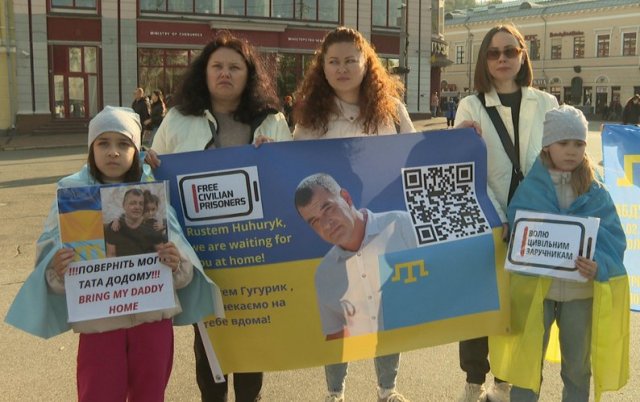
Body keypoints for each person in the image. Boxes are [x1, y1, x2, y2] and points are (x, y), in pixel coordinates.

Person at [4, 106, 222, 401]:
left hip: (152, 324)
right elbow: (53, 275)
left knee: (150, 394)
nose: (113, 152)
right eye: (103, 143)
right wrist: (58, 268)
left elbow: (182, 272)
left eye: (123, 144)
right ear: (91, 149)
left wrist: (176, 263)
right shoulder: (73, 197)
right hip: (100, 328)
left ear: (137, 149)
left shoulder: (152, 194)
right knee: (98, 394)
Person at [146, 30, 291, 402]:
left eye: (234, 67)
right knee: (208, 338)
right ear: (204, 72)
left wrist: (277, 156)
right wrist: (147, 163)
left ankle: (250, 397)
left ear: (249, 74)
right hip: (202, 252)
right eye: (217, 66)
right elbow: (153, 180)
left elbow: (291, 181)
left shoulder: (271, 120)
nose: (225, 73)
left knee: (253, 331)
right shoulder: (178, 118)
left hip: (255, 250)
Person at [293, 26, 414, 402]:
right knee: (341, 312)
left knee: (387, 309)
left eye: (350, 60)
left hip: (379, 227)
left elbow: (416, 157)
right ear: (323, 67)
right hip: (336, 230)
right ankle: (335, 391)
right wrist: (268, 149)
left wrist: (461, 136)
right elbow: (292, 166)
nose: (342, 68)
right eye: (333, 62)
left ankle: (387, 389)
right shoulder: (312, 118)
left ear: (367, 63)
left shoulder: (391, 110)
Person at [453, 24, 559, 402]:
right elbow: (466, 172)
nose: (502, 59)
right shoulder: (471, 106)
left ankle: (503, 382)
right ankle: (473, 380)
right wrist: (498, 216)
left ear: (522, 56)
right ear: (484, 59)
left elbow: (561, 159)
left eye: (510, 51)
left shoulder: (546, 103)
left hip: (534, 222)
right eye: (494, 53)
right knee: (479, 303)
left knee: (519, 307)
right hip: (487, 221)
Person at [500, 105, 629, 401]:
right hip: (538, 293)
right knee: (527, 364)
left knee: (577, 369)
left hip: (580, 294)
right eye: (564, 143)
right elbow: (516, 231)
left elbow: (614, 239)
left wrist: (598, 265)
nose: (572, 150)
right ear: (548, 145)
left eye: (579, 143)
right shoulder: (530, 188)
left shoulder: (596, 190)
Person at [294, 173, 417, 339]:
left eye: (328, 208)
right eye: (314, 221)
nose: (326, 224)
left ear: (346, 198)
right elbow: (335, 340)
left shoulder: (403, 226)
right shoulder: (324, 275)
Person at [104, 188, 166, 257]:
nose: (137, 207)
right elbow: (111, 255)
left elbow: (163, 253)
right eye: (132, 203)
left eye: (141, 204)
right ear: (124, 205)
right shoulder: (114, 226)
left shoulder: (153, 226)